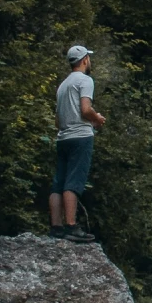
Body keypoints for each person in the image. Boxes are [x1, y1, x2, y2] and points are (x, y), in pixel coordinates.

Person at [49, 44, 105, 240]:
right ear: (84, 60)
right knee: (74, 181)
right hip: (81, 137)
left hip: (63, 138)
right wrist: (96, 118)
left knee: (59, 182)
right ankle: (71, 226)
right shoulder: (85, 80)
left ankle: (55, 227)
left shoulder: (62, 85)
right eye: (88, 58)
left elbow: (57, 119)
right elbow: (85, 108)